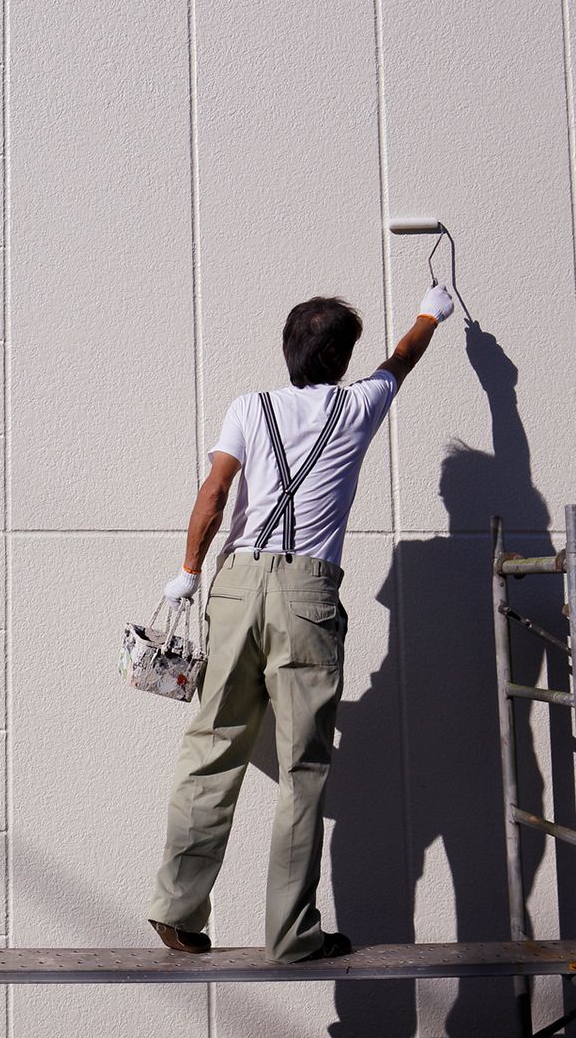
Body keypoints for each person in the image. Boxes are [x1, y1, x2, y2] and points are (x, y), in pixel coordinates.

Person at [146, 283, 455, 963]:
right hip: (307, 592)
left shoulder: (248, 408)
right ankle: (291, 933)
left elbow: (214, 494)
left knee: (212, 744)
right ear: (342, 358)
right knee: (303, 767)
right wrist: (430, 312)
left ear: (288, 351)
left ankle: (176, 907)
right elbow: (403, 356)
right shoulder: (359, 404)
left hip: (235, 584)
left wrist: (189, 570)